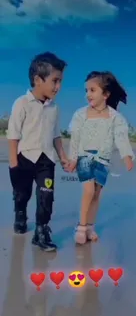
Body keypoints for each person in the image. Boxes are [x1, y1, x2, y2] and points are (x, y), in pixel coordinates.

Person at [7, 52, 69, 252]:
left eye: (60, 81)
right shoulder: (22, 104)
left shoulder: (55, 108)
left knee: (46, 196)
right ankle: (20, 215)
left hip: (46, 161)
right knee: (21, 194)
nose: (58, 86)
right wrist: (13, 163)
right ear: (37, 80)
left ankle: (41, 231)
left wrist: (63, 157)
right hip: (24, 159)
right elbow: (13, 135)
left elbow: (56, 136)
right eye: (55, 81)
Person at [67, 71, 135, 245]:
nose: (87, 95)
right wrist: (73, 158)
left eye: (92, 90)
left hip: (103, 160)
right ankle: (81, 227)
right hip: (84, 158)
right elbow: (74, 139)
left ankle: (90, 226)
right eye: (86, 90)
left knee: (97, 194)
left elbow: (121, 138)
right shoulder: (80, 114)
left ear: (106, 94)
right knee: (88, 190)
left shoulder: (115, 118)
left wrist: (126, 156)